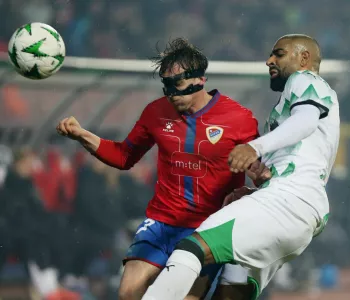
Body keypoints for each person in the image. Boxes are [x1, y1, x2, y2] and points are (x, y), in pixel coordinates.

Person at [56, 38, 268, 300]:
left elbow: (261, 174)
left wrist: (256, 186)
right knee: (128, 293)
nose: (170, 93)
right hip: (161, 222)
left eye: (176, 85)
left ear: (200, 79)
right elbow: (124, 157)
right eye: (165, 85)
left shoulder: (239, 119)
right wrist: (82, 135)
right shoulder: (155, 113)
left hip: (208, 229)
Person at [142, 34, 340, 300]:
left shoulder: (304, 80)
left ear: (304, 58)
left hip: (289, 200)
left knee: (192, 248)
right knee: (233, 291)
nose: (269, 60)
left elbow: (305, 121)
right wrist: (258, 190)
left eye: (279, 54)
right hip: (300, 213)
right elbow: (298, 153)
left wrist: (255, 148)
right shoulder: (300, 106)